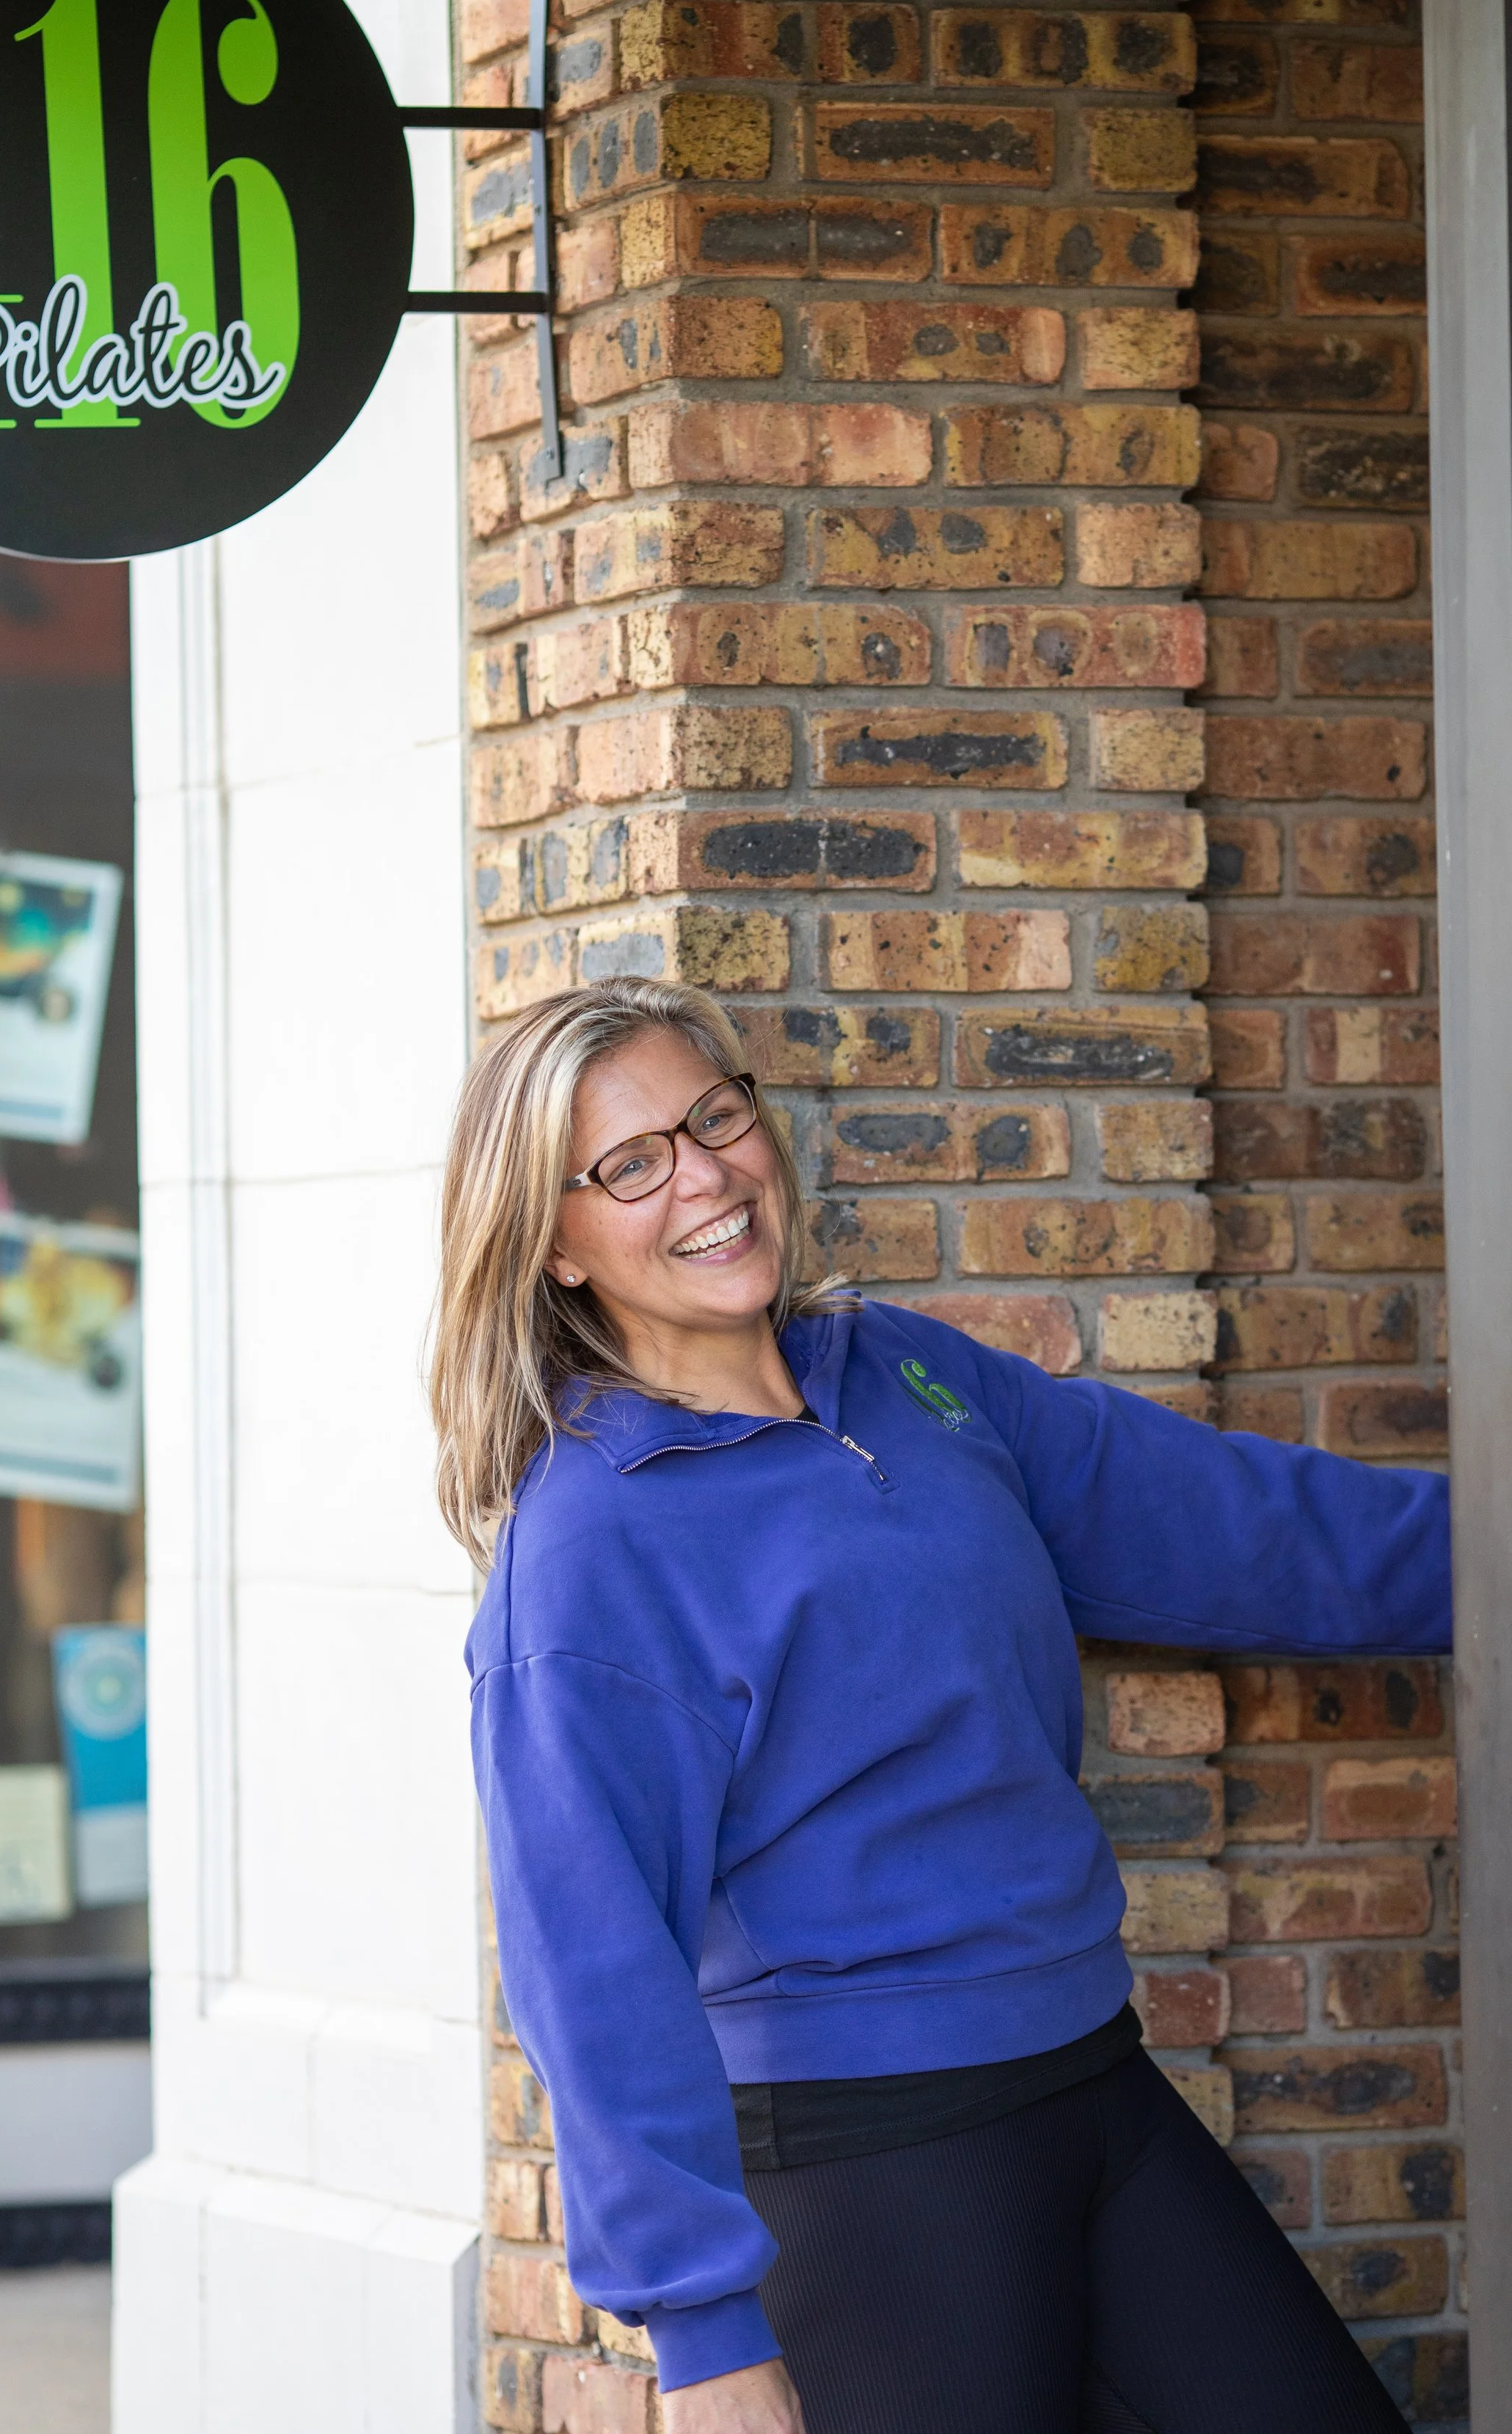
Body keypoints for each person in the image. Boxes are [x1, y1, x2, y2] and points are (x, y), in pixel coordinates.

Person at [431, 978, 1451, 2434]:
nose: (705, 1177)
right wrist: (699, 2326)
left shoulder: (903, 1378)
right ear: (555, 1245)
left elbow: (1239, 1529)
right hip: (869, 2162)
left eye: (714, 1120)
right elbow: (589, 1961)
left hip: (1089, 2083)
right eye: (631, 1163)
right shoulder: (590, 1548)